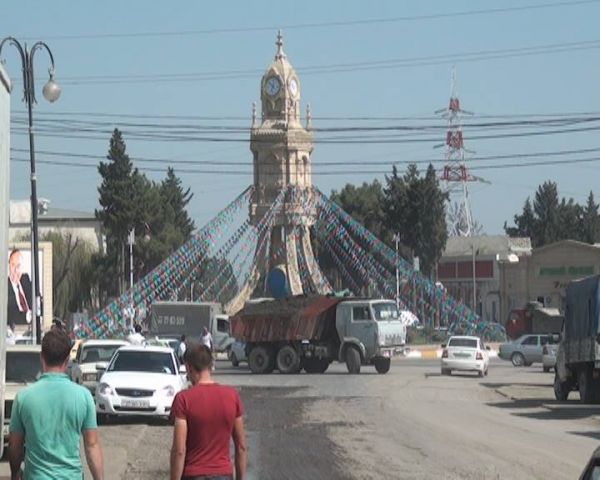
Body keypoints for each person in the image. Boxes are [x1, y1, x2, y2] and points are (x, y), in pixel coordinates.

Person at [8, 328, 104, 480]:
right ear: (67, 360)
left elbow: (15, 445)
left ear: (42, 357)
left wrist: (14, 474)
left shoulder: (23, 398)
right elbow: (92, 446)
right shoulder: (84, 397)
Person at [170, 343, 247, 480]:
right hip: (223, 474)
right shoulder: (232, 396)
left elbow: (179, 451)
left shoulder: (183, 399)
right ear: (211, 366)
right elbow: (241, 447)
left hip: (193, 474)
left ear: (189, 367)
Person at [7, 249, 32, 332]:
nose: (15, 270)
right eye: (13, 265)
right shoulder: (4, 287)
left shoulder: (26, 280)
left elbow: (38, 302)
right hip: (16, 331)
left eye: (18, 266)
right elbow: (11, 315)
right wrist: (29, 316)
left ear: (22, 267)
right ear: (9, 265)